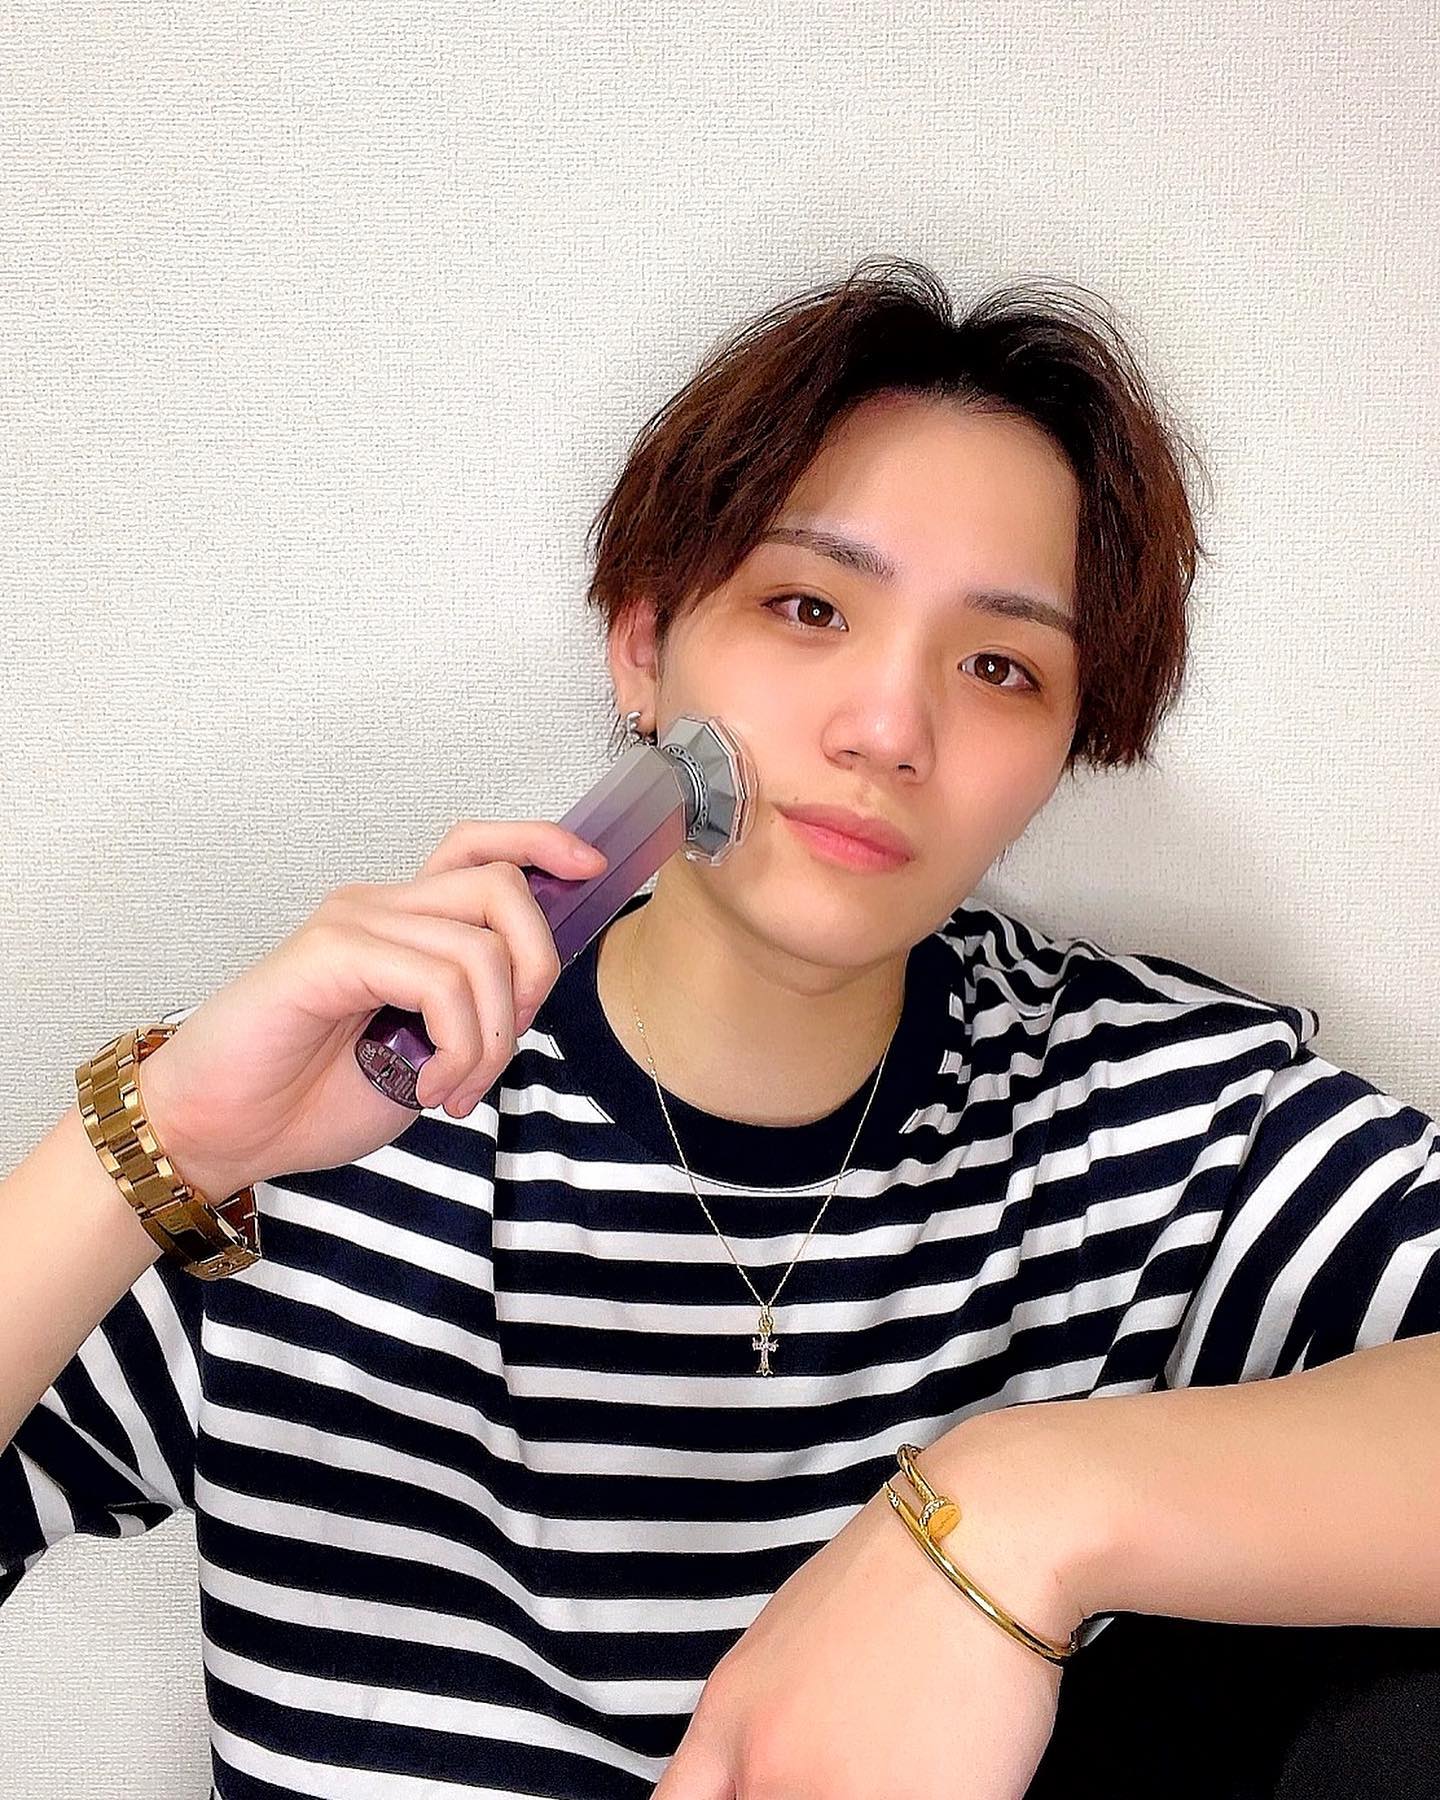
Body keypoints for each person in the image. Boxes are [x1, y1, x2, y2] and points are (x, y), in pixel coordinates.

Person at [3, 255, 1438, 1800]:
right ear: (643, 646)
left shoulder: (1157, 1121)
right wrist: (154, 1148)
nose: (889, 729)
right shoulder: (317, 1113)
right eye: (807, 606)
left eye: (1001, 666)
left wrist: (1013, 1508)